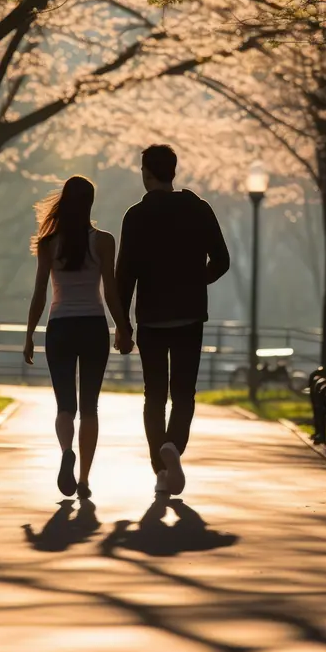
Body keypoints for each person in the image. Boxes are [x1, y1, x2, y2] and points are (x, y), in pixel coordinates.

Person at [115, 144, 230, 496]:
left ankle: (161, 469)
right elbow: (222, 260)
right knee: (183, 395)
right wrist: (197, 281)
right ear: (174, 171)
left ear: (146, 173)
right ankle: (173, 447)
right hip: (190, 316)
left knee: (154, 397)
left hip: (151, 318)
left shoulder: (135, 215)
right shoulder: (199, 209)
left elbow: (125, 276)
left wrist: (123, 326)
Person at [24, 175, 133, 500]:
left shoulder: (49, 242)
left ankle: (66, 451)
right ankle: (84, 480)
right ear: (90, 203)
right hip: (93, 327)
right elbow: (111, 291)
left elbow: (39, 293)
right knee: (90, 407)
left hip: (60, 327)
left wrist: (30, 334)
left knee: (65, 406)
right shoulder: (103, 240)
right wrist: (124, 328)